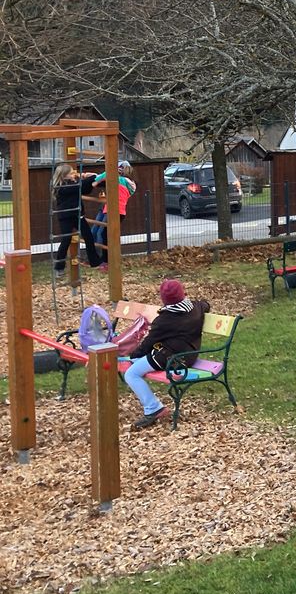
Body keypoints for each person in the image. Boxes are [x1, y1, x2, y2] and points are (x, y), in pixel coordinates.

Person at [125, 278, 210, 430]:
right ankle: (153, 407)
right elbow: (205, 304)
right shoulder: (196, 308)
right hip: (189, 355)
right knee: (138, 363)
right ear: (182, 293)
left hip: (171, 359)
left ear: (164, 299)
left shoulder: (164, 320)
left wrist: (132, 355)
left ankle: (154, 408)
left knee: (131, 373)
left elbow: (148, 343)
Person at [50, 164, 100, 274]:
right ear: (64, 176)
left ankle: (94, 261)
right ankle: (59, 267)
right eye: (71, 173)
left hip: (78, 216)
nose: (74, 175)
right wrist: (93, 177)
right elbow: (80, 187)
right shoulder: (61, 186)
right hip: (66, 217)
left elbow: (85, 190)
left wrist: (92, 180)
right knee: (66, 240)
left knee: (89, 237)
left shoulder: (72, 183)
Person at [90, 162, 136, 249]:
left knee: (101, 233)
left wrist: (92, 179)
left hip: (112, 209)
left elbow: (103, 176)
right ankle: (95, 256)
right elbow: (101, 177)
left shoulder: (124, 181)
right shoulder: (120, 181)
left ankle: (102, 258)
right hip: (105, 207)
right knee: (95, 231)